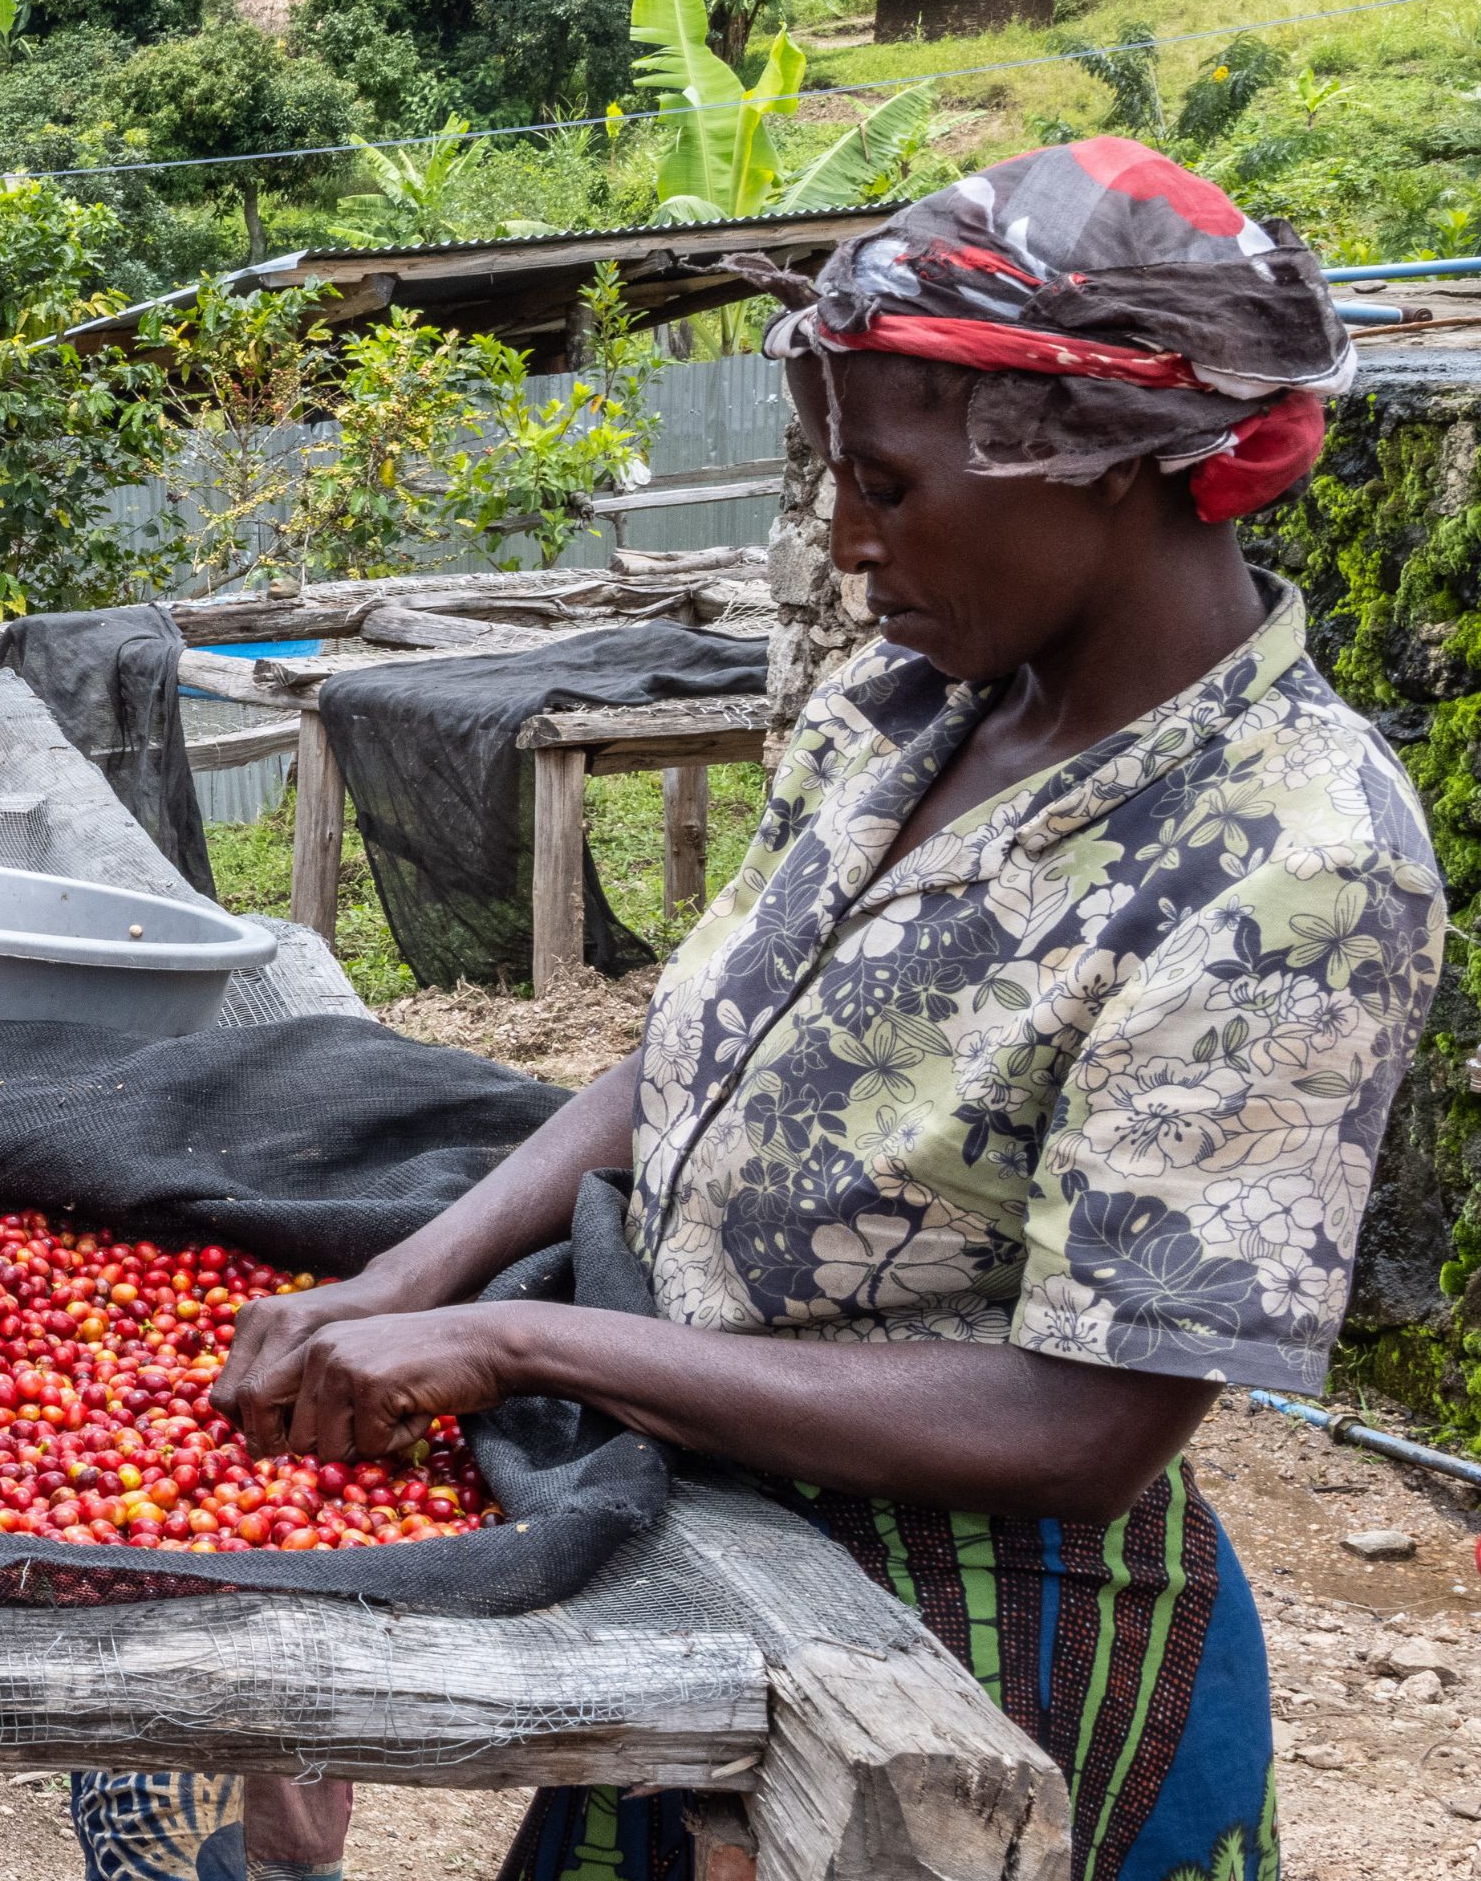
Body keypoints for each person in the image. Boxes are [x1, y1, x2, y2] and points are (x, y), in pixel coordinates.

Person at [209, 137, 1445, 1881]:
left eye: (888, 485)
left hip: (978, 1659)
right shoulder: (910, 707)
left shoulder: (1294, 857)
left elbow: (1084, 1428)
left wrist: (518, 1340)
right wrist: (416, 1274)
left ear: (1099, 464)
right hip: (703, 1529)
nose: (851, 545)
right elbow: (698, 1046)